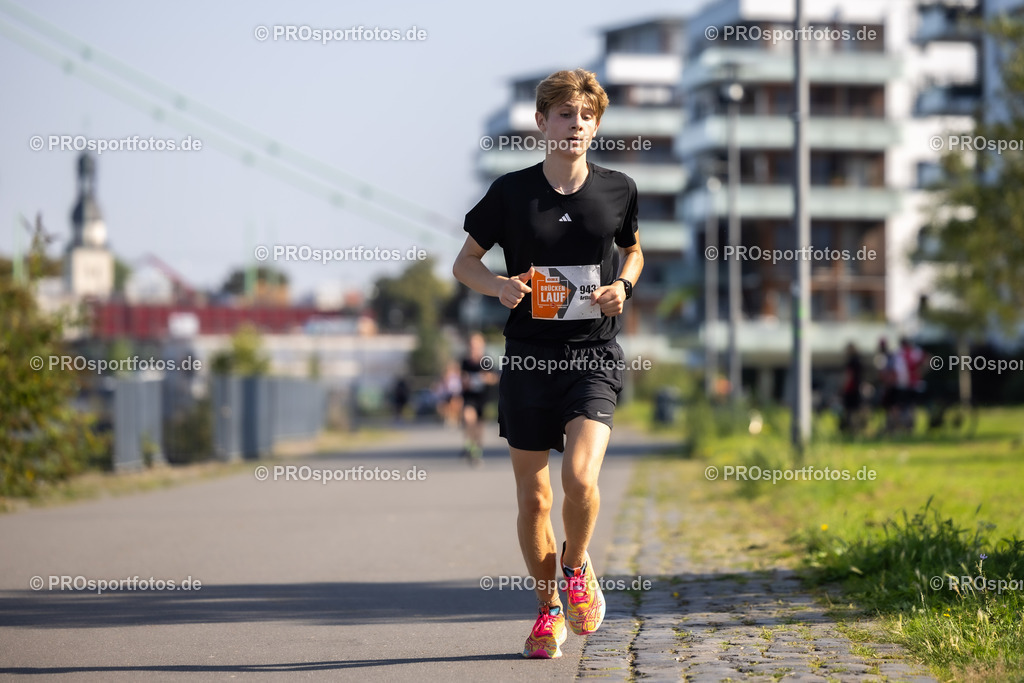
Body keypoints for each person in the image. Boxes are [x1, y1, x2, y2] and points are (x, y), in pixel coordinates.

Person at [453, 68, 643, 659]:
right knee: (534, 500)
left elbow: (632, 249)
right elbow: (464, 264)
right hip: (530, 361)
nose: (576, 125)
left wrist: (625, 287)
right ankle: (547, 610)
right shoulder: (511, 193)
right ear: (542, 123)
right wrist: (499, 287)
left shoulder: (619, 188)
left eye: (587, 117)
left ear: (596, 126)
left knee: (580, 478)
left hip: (593, 355)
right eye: (565, 115)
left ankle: (577, 563)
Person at [460, 332, 496, 464]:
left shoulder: (486, 361)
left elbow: (494, 377)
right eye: (471, 345)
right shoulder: (465, 361)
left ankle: (477, 449)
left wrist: (484, 378)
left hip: (482, 397)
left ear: (482, 345)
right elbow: (461, 378)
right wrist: (466, 381)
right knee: (469, 418)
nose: (473, 347)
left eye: (476, 345)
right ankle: (469, 445)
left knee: (479, 426)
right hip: (469, 397)